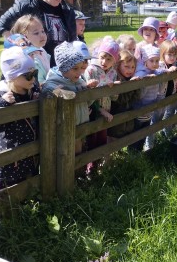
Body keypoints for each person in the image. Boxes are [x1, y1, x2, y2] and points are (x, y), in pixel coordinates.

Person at [0, 47, 40, 194]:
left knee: (28, 182)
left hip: (29, 149)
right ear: (12, 77)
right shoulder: (0, 95)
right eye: (28, 76)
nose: (33, 79)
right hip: (8, 154)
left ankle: (21, 211)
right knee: (4, 187)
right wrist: (2, 105)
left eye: (35, 73)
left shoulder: (30, 90)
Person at [0, 0, 76, 65]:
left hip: (61, 67)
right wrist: (19, 45)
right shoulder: (26, 6)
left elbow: (72, 40)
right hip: (32, 65)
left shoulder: (67, 11)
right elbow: (2, 25)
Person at [42, 41, 98, 155]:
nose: (79, 72)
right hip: (65, 131)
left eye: (80, 68)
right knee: (67, 159)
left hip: (81, 128)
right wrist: (59, 92)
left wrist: (89, 91)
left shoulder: (79, 81)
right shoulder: (53, 83)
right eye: (75, 69)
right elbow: (48, 92)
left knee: (80, 156)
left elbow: (88, 103)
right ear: (63, 68)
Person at [84, 38, 118, 170]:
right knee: (91, 137)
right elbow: (89, 93)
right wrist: (105, 85)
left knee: (102, 138)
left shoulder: (113, 73)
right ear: (98, 55)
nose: (104, 62)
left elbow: (114, 97)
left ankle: (98, 165)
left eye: (109, 59)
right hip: (93, 109)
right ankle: (89, 167)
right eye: (103, 57)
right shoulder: (91, 69)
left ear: (114, 60)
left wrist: (115, 89)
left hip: (107, 108)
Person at [131, 44, 167, 151]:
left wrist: (163, 75)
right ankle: (133, 153)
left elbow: (160, 90)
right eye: (152, 61)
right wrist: (147, 82)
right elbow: (140, 95)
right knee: (136, 134)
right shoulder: (141, 74)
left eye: (157, 60)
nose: (155, 64)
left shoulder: (154, 72)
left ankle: (139, 153)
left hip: (149, 110)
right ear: (145, 61)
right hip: (140, 109)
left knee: (144, 132)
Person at [107, 50, 141, 139]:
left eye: (133, 67)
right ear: (118, 65)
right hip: (116, 117)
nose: (130, 70)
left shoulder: (130, 78)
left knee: (126, 135)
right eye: (126, 66)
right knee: (114, 137)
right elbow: (120, 100)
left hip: (127, 116)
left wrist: (136, 86)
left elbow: (137, 97)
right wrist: (131, 86)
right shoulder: (116, 81)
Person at [10, 14, 51, 85]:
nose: (42, 35)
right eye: (36, 33)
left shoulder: (42, 51)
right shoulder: (27, 56)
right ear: (23, 37)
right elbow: (35, 82)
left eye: (42, 31)